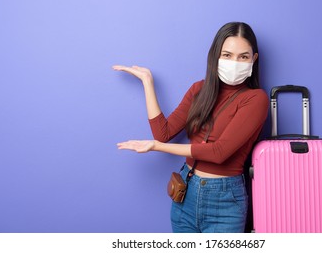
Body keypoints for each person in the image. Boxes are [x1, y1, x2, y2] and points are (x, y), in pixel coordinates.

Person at [113, 22, 269, 233]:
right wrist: (147, 82)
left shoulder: (256, 99)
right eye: (227, 55)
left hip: (224, 203)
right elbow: (163, 133)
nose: (235, 62)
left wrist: (155, 147)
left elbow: (219, 152)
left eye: (243, 57)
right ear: (215, 56)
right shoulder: (200, 89)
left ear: (254, 60)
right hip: (186, 193)